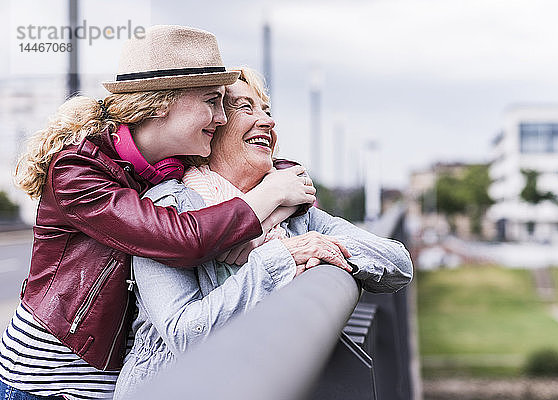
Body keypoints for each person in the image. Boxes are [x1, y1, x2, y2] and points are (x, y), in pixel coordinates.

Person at [0, 27, 315, 400]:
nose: (220, 118)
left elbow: (259, 167)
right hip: (47, 382)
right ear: (163, 102)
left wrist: (283, 188)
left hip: (111, 378)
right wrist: (272, 193)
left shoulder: (169, 168)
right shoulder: (76, 170)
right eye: (212, 102)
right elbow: (183, 238)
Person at [113, 67, 413, 398]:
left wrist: (323, 252)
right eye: (245, 107)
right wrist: (285, 256)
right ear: (212, 126)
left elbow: (398, 262)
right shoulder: (168, 208)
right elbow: (187, 334)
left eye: (266, 110)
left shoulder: (291, 210)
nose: (268, 122)